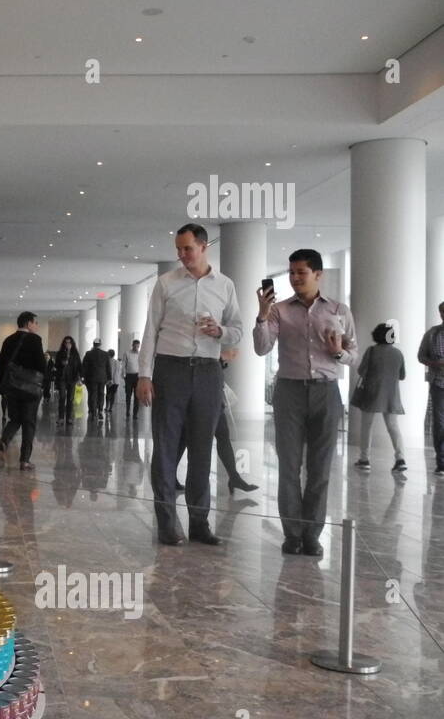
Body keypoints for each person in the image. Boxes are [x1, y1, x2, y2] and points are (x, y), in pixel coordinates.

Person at [137, 223, 243, 547]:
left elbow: (237, 330)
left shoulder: (224, 285)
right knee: (166, 448)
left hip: (209, 371)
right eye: (179, 250)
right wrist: (144, 375)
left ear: (204, 246)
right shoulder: (166, 283)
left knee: (202, 450)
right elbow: (150, 330)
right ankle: (168, 523)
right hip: (171, 370)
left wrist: (220, 332)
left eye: (188, 249)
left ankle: (199, 523)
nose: (182, 255)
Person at [254, 248, 357, 556]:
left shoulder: (339, 310)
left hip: (326, 392)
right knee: (288, 465)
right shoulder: (279, 310)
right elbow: (261, 348)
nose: (295, 278)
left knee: (320, 467)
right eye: (292, 273)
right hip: (289, 392)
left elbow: (354, 356)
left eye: (301, 272)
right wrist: (261, 314)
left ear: (318, 274)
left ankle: (312, 534)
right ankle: (292, 533)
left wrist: (337, 351)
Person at [175, 353, 259, 493]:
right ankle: (171, 475)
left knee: (223, 436)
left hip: (214, 394)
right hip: (196, 392)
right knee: (186, 438)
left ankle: (234, 477)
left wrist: (220, 361)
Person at [0, 311, 48, 469]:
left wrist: (0, 386)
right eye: (35, 323)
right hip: (30, 388)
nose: (36, 326)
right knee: (29, 422)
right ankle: (24, 460)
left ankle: (4, 441)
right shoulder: (35, 339)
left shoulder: (8, 340)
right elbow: (40, 365)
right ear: (28, 323)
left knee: (15, 418)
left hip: (12, 387)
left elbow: (2, 364)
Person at [353, 322, 406, 473]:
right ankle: (400, 459)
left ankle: (365, 459)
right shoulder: (398, 353)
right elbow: (402, 376)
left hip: (372, 393)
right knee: (393, 427)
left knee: (367, 426)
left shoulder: (371, 351)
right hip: (391, 395)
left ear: (376, 336)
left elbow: (361, 371)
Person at [418, 301, 444, 476]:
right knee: (440, 422)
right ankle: (441, 461)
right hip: (438, 383)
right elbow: (421, 356)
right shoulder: (432, 334)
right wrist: (434, 363)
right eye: (442, 312)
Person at [54, 336, 82, 424]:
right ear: (64, 344)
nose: (67, 344)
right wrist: (62, 363)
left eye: (69, 342)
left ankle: (69, 418)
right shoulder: (60, 353)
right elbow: (56, 365)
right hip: (62, 378)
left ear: (72, 344)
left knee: (70, 399)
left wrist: (80, 378)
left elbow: (79, 367)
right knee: (62, 398)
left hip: (72, 378)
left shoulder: (75, 354)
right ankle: (61, 417)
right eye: (66, 342)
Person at [81, 338, 110, 420]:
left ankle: (93, 412)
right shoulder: (105, 354)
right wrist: (109, 378)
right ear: (100, 345)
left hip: (91, 378)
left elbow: (84, 366)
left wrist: (82, 377)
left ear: (93, 344)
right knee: (101, 394)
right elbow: (108, 367)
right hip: (102, 378)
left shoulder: (88, 353)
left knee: (92, 394)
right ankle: (100, 411)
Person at [123, 339, 141, 418]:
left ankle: (135, 414)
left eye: (138, 346)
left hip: (137, 376)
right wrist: (123, 375)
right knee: (128, 395)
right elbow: (123, 364)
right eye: (135, 346)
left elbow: (142, 365)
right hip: (129, 376)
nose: (136, 347)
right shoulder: (127, 353)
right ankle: (127, 411)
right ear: (132, 345)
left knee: (137, 396)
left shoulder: (140, 354)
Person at [106, 349, 121, 415]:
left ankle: (107, 407)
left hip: (110, 381)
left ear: (108, 354)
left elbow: (110, 372)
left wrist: (110, 380)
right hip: (116, 381)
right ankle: (111, 408)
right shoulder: (117, 362)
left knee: (108, 394)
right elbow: (117, 371)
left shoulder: (108, 361)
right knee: (113, 395)